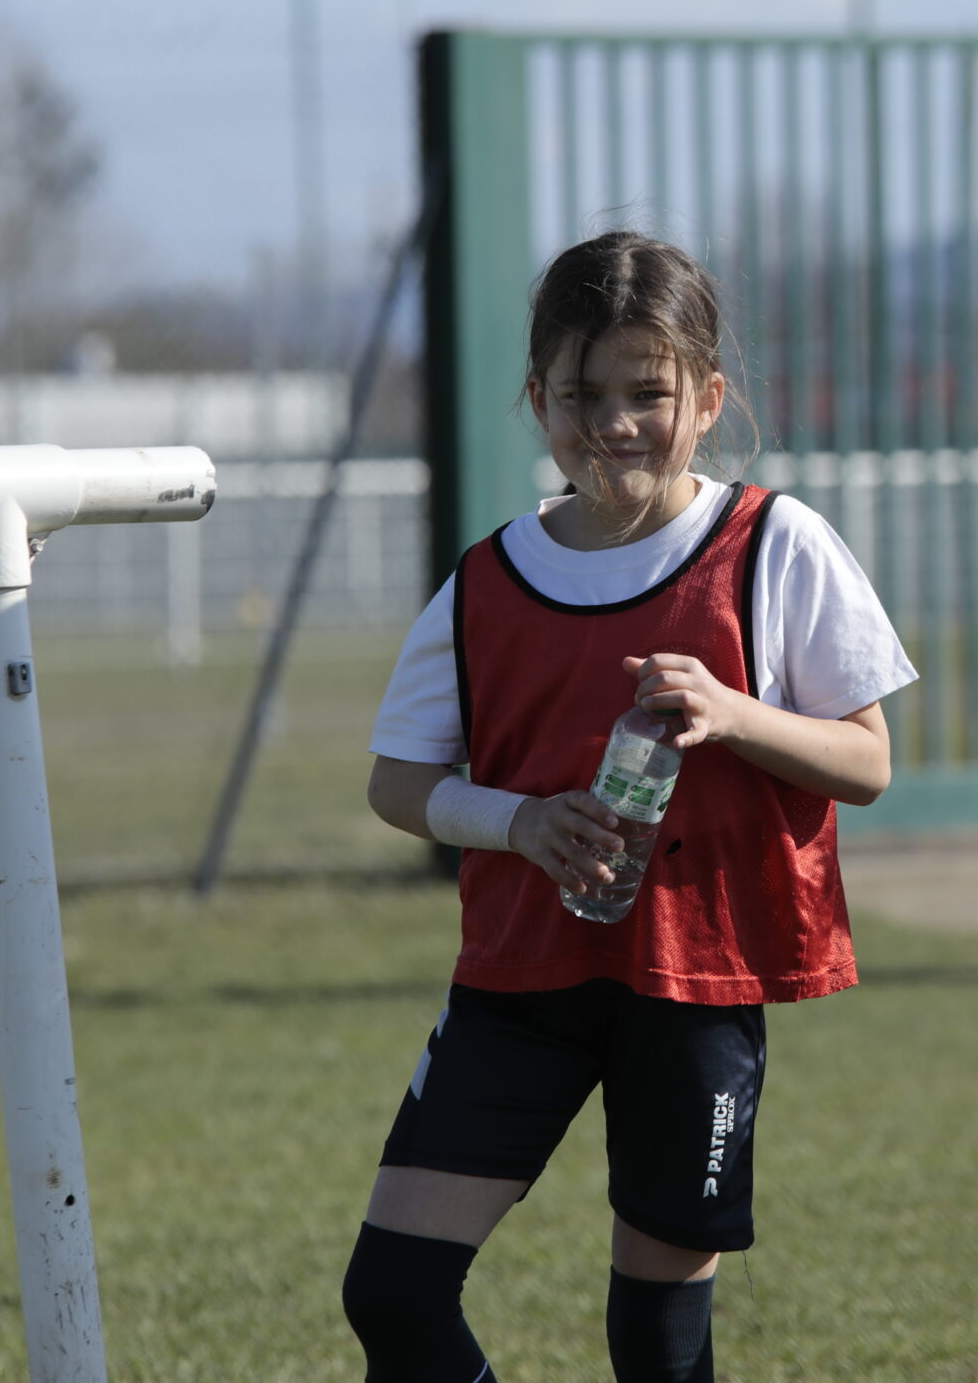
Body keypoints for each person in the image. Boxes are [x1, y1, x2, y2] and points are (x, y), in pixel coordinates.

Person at [347, 232, 916, 1383]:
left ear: (706, 400)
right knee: (393, 1290)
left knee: (657, 1340)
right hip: (516, 984)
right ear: (536, 400)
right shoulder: (488, 578)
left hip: (690, 986)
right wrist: (518, 822)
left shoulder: (773, 545)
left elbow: (866, 763)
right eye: (580, 393)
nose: (612, 421)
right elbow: (396, 783)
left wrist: (734, 712)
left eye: (646, 393)